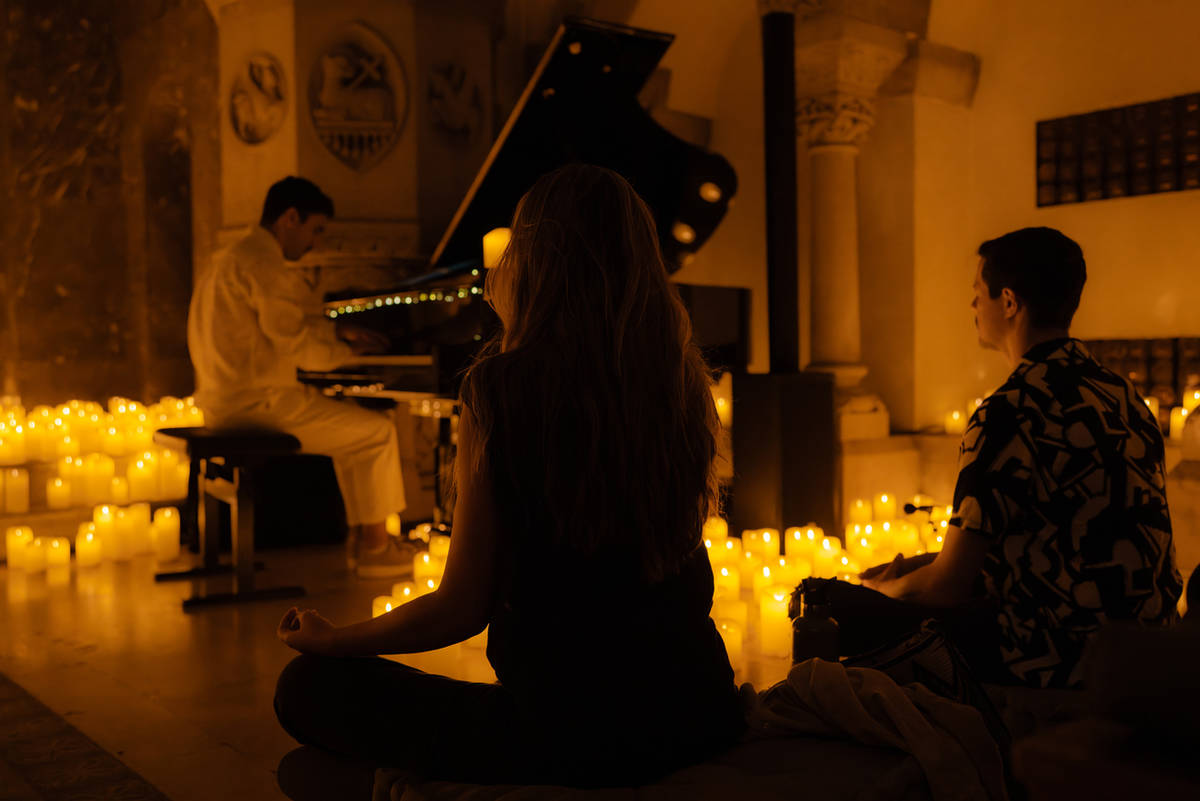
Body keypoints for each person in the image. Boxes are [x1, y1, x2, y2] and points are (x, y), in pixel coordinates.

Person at [272, 164, 744, 787]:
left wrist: (337, 641)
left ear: (536, 261)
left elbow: (462, 608)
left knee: (304, 692)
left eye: (517, 242)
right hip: (698, 708)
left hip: (572, 729)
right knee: (307, 770)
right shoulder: (681, 382)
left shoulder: (501, 387)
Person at [863, 226, 1182, 688]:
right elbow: (1065, 537)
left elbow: (948, 587)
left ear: (1009, 302)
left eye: (978, 294)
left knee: (834, 610)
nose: (973, 307)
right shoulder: (1122, 396)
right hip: (1148, 644)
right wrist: (917, 565)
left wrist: (881, 590)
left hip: (1063, 661)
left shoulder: (1009, 410)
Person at [188, 176, 411, 577]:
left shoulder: (227, 259)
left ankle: (362, 542)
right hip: (259, 406)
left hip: (222, 401)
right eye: (316, 230)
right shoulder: (264, 263)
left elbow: (274, 330)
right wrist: (348, 351)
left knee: (354, 435)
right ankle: (376, 549)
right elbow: (298, 346)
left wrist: (336, 332)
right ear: (290, 218)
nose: (316, 244)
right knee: (376, 432)